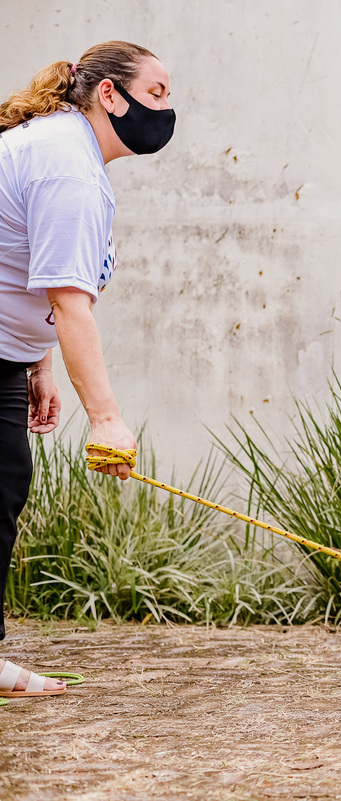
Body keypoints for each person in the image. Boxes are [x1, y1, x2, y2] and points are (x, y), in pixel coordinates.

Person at [0, 41, 175, 699]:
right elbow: (71, 304)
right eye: (156, 93)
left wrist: (36, 364)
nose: (167, 110)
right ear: (110, 95)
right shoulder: (65, 165)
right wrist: (107, 418)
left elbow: (22, 267)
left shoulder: (67, 152)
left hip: (6, 357)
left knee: (5, 483)